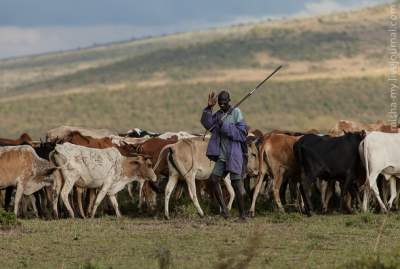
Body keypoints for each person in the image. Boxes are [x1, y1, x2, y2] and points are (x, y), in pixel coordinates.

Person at [200, 90, 248, 219]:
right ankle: (225, 211)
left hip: (234, 154)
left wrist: (225, 126)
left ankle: (242, 215)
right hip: (221, 155)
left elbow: (242, 134)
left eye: (224, 103)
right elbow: (208, 124)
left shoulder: (236, 113)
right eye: (219, 103)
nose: (221, 105)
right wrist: (209, 108)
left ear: (229, 101)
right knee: (213, 180)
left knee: (236, 185)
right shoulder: (218, 114)